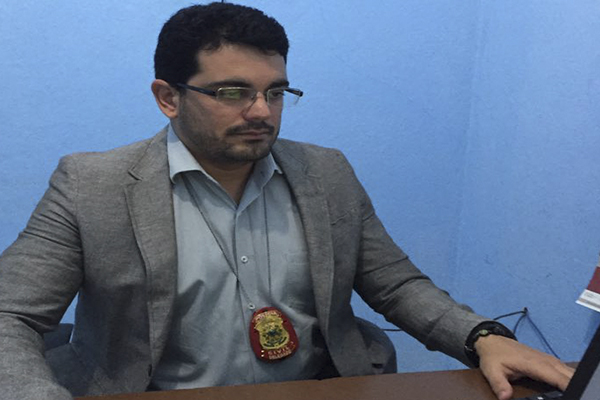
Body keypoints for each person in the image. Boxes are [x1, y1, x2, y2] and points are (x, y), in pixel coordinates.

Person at [0, 3, 574, 400]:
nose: (261, 111)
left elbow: (396, 285)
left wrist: (483, 338)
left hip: (318, 389)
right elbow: (11, 314)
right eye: (233, 92)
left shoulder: (326, 172)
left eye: (275, 92)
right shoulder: (91, 185)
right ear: (168, 97)